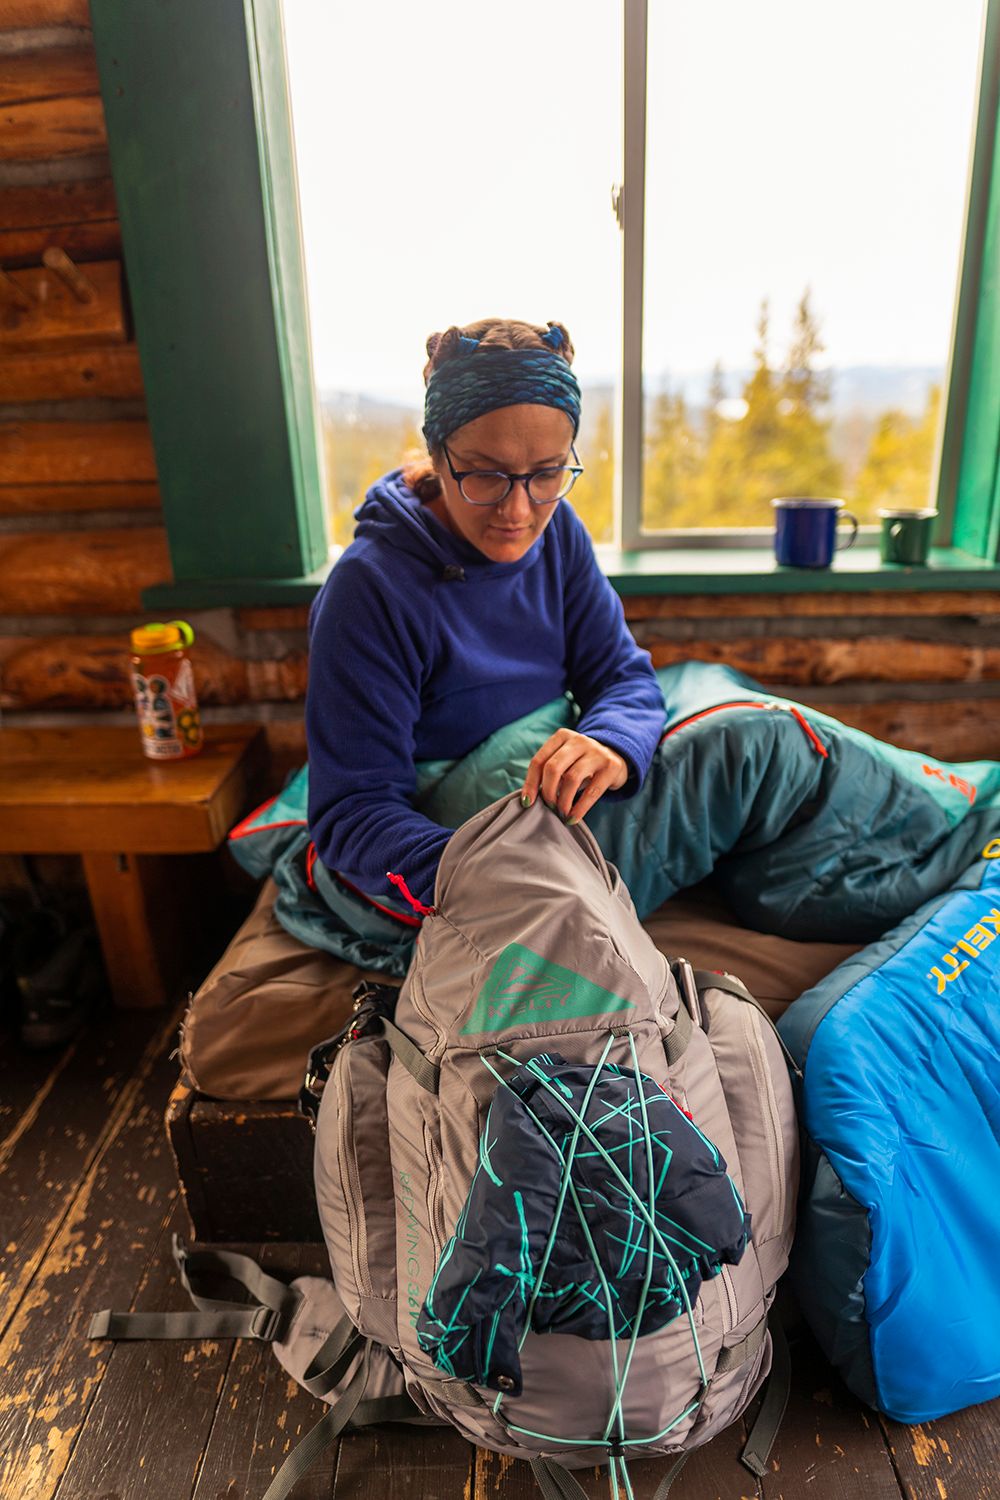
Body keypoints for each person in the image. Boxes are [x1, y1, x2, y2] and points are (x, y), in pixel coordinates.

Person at [305, 316, 666, 916]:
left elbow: (622, 676)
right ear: (437, 455)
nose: (518, 512)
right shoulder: (370, 590)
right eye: (485, 474)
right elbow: (352, 814)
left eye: (547, 473)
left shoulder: (559, 534)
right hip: (457, 851)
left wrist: (610, 745)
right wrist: (490, 877)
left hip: (549, 819)